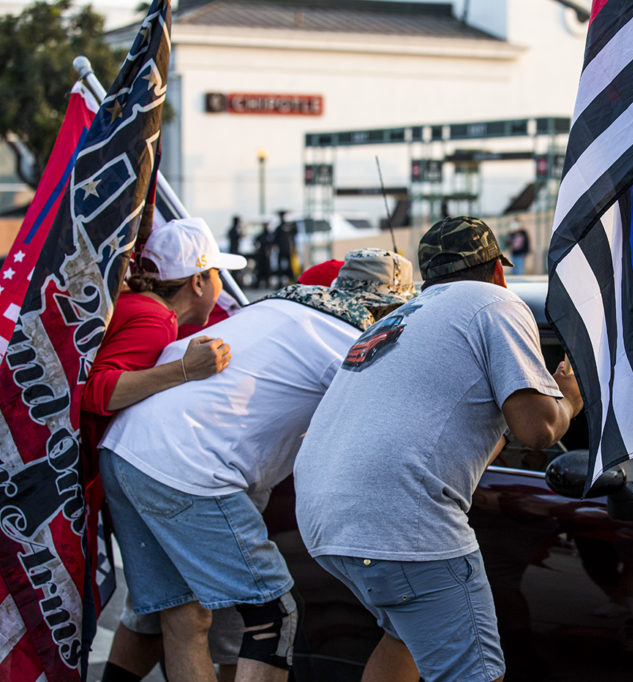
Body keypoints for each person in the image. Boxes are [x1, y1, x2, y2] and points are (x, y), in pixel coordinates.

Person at [98, 249, 416, 682]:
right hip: (188, 467)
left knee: (181, 615)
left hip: (123, 448)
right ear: (391, 306)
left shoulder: (277, 305)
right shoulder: (353, 340)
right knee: (274, 615)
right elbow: (390, 429)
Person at [293, 216, 584, 682]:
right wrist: (569, 399)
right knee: (474, 673)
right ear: (498, 271)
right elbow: (539, 430)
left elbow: (457, 439)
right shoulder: (495, 303)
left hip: (325, 520)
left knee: (404, 638)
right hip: (402, 524)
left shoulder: (400, 319)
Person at [83, 216, 246, 682]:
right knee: (186, 614)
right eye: (215, 274)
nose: (219, 285)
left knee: (174, 613)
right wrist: (184, 371)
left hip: (106, 473)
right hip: (112, 473)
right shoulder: (154, 318)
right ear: (198, 281)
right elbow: (97, 390)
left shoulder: (142, 307)